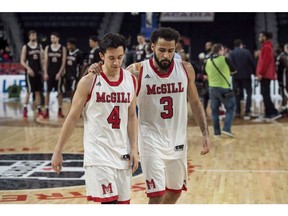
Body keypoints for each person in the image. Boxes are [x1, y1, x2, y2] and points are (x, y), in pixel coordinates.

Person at [89, 27, 210, 204]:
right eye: (162, 50)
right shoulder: (137, 72)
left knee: (175, 192)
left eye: (171, 51)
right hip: (150, 140)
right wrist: (95, 69)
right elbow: (112, 82)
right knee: (156, 194)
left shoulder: (186, 69)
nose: (166, 55)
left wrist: (205, 133)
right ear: (152, 47)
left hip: (177, 140)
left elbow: (195, 102)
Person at [51, 33, 138, 204]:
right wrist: (58, 150)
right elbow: (72, 117)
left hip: (122, 152)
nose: (116, 63)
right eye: (111, 58)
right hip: (98, 154)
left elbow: (132, 115)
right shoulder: (89, 81)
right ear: (101, 56)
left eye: (120, 57)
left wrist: (134, 147)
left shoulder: (131, 80)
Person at [204, 43, 236, 138]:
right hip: (224, 87)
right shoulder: (224, 59)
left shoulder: (207, 61)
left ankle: (216, 133)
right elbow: (234, 71)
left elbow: (205, 74)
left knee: (214, 111)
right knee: (231, 108)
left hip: (212, 88)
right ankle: (226, 128)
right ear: (220, 50)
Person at [256, 31, 281, 120]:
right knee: (265, 93)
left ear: (265, 37)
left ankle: (272, 112)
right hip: (266, 74)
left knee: (265, 93)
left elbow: (265, 62)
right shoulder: (267, 47)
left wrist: (260, 73)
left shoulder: (266, 47)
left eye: (260, 36)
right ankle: (270, 112)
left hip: (265, 74)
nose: (259, 38)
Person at [229, 39, 255, 120]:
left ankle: (237, 111)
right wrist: (254, 72)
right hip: (246, 76)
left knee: (236, 94)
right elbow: (252, 63)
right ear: (241, 44)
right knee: (249, 93)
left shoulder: (231, 53)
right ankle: (247, 111)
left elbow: (230, 64)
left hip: (236, 77)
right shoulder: (246, 52)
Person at [20, 30, 44, 118]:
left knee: (38, 92)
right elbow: (22, 61)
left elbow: (42, 60)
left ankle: (39, 110)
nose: (34, 36)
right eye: (32, 35)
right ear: (29, 37)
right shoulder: (25, 47)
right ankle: (25, 109)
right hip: (30, 72)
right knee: (29, 91)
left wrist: (43, 72)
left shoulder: (39, 46)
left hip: (38, 72)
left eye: (35, 35)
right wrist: (28, 69)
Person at [43, 32, 66, 118]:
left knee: (59, 92)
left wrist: (59, 73)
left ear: (58, 38)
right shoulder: (47, 48)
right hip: (49, 73)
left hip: (58, 73)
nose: (52, 39)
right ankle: (47, 110)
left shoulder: (62, 48)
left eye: (54, 38)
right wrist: (45, 72)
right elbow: (46, 61)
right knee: (47, 92)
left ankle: (60, 110)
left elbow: (63, 62)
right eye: (51, 38)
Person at [275, 43, 288, 116]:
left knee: (284, 93)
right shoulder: (283, 57)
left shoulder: (281, 56)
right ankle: (284, 109)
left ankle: (284, 108)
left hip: (282, 78)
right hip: (284, 79)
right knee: (285, 93)